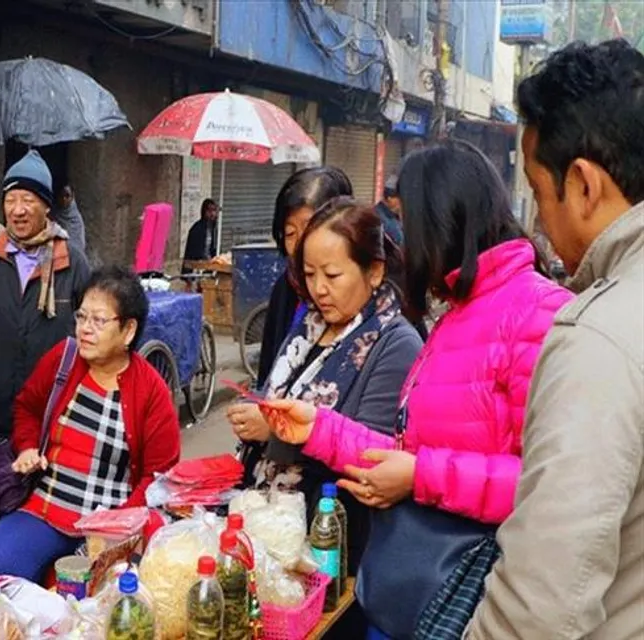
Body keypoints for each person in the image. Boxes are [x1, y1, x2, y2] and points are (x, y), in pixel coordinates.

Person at [264, 140, 574, 639]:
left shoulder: (538, 313)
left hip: (470, 595)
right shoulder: (457, 313)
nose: (404, 246)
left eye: (409, 226)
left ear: (443, 222)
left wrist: (421, 477)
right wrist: (318, 428)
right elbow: (408, 452)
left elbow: (545, 485)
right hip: (413, 585)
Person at [467, 40, 644, 640]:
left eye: (540, 194)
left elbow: (539, 608)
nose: (540, 221)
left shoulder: (598, 336)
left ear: (584, 185)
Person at [0, 266, 181, 582]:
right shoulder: (64, 358)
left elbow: (158, 476)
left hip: (111, 521)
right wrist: (28, 447)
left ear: (128, 330)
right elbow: (28, 407)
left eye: (98, 321)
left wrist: (117, 526)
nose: (85, 329)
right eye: (82, 317)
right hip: (47, 506)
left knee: (102, 592)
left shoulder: (151, 390)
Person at [0, 150, 91, 546]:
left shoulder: (71, 262)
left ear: (46, 206)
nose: (18, 210)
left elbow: (90, 330)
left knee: (47, 521)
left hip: (52, 421)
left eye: (28, 199)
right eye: (11, 199)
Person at [230, 166, 354, 483]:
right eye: (289, 234)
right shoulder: (285, 291)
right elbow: (269, 378)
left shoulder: (369, 310)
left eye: (310, 229)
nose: (299, 246)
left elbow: (364, 432)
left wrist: (275, 429)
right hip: (274, 480)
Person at [181, 198, 219, 270]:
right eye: (209, 211)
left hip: (209, 265)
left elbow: (212, 249)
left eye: (214, 210)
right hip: (196, 266)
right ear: (204, 212)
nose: (212, 214)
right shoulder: (197, 228)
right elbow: (194, 252)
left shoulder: (214, 228)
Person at [51, 184, 87, 254]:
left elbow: (79, 244)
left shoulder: (76, 220)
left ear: (72, 197)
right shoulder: (53, 214)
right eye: (61, 196)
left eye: (67, 196)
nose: (64, 199)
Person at [374, 175, 404, 246]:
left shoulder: (393, 215)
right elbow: (401, 242)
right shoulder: (382, 219)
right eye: (400, 198)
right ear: (390, 198)